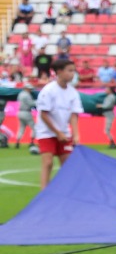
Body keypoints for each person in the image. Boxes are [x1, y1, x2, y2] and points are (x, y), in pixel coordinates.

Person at [34, 58, 81, 186]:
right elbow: (43, 114)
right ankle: (44, 194)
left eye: (73, 71)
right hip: (46, 133)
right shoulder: (48, 90)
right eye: (69, 71)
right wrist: (57, 132)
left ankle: (66, 193)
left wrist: (76, 135)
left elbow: (73, 115)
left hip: (64, 133)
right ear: (59, 72)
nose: (72, 74)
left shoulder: (73, 93)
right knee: (48, 163)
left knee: (67, 165)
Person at [97, 81, 116, 148]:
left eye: (107, 89)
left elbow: (107, 105)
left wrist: (100, 106)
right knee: (107, 129)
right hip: (107, 114)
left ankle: (112, 142)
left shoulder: (111, 97)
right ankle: (112, 142)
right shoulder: (109, 96)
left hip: (109, 114)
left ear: (110, 90)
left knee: (107, 130)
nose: (105, 90)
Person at [15, 81, 35, 151]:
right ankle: (32, 142)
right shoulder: (27, 95)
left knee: (21, 128)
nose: (31, 90)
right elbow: (31, 104)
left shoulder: (20, 94)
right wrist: (37, 102)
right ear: (26, 88)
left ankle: (17, 141)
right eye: (30, 89)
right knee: (34, 127)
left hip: (20, 112)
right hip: (26, 112)